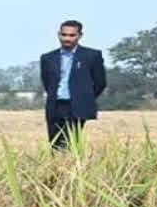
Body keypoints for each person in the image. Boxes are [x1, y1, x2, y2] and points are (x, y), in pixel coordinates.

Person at [39, 20, 106, 150]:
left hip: (77, 106)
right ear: (59, 34)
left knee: (71, 142)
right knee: (55, 144)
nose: (67, 39)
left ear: (79, 36)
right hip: (55, 105)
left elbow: (100, 82)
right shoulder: (47, 58)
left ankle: (74, 167)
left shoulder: (91, 56)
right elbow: (47, 82)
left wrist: (85, 97)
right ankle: (57, 168)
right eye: (64, 35)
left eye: (71, 35)